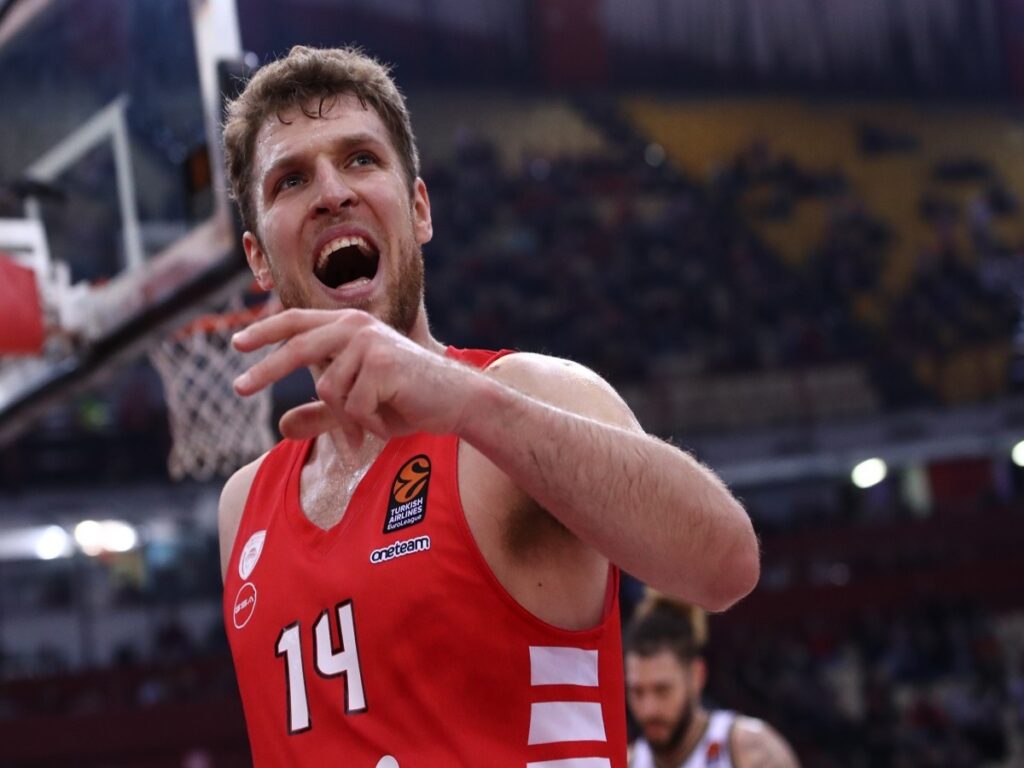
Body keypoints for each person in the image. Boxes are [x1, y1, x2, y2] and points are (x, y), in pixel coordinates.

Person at [218, 45, 759, 767]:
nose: (332, 192)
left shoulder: (525, 395)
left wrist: (468, 404)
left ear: (419, 210)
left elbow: (725, 564)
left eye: (360, 159)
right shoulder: (243, 507)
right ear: (258, 258)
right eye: (291, 179)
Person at [625, 595, 799, 768]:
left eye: (662, 690)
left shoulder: (753, 750)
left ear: (697, 676)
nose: (649, 709)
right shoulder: (626, 762)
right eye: (637, 692)